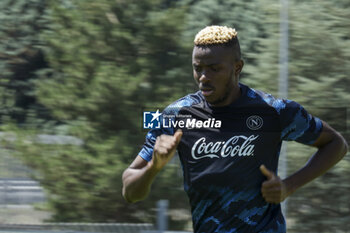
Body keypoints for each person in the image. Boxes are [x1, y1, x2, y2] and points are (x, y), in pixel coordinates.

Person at [122, 25, 348, 233]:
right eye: (197, 68)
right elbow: (129, 192)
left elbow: (337, 144)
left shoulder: (275, 111)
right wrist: (154, 166)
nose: (203, 78)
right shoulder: (172, 116)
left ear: (237, 67)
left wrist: (289, 186)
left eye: (214, 69)